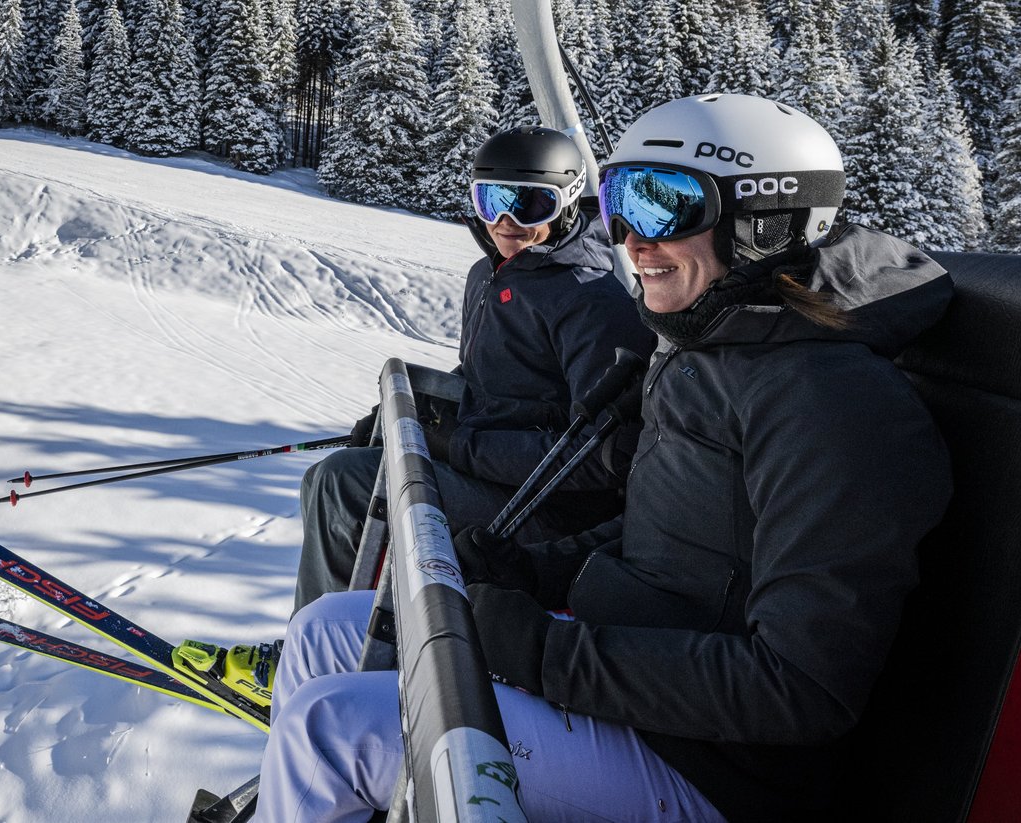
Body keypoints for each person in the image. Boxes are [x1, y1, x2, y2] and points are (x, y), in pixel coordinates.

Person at [255, 94, 955, 822]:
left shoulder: (833, 402)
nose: (629, 238)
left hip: (708, 766)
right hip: (630, 672)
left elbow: (801, 686)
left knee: (332, 728)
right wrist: (534, 567)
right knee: (327, 628)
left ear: (765, 223)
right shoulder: (710, 351)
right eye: (620, 202)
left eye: (663, 207)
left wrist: (543, 650)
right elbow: (668, 539)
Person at [293, 126, 654, 613]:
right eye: (492, 200)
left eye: (530, 205)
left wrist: (459, 445)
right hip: (491, 475)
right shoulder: (489, 273)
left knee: (345, 483)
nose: (506, 221)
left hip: (548, 508)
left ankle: (324, 642)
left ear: (567, 201)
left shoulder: (591, 301)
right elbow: (483, 373)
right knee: (334, 478)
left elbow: (596, 457)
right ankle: (338, 623)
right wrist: (406, 411)